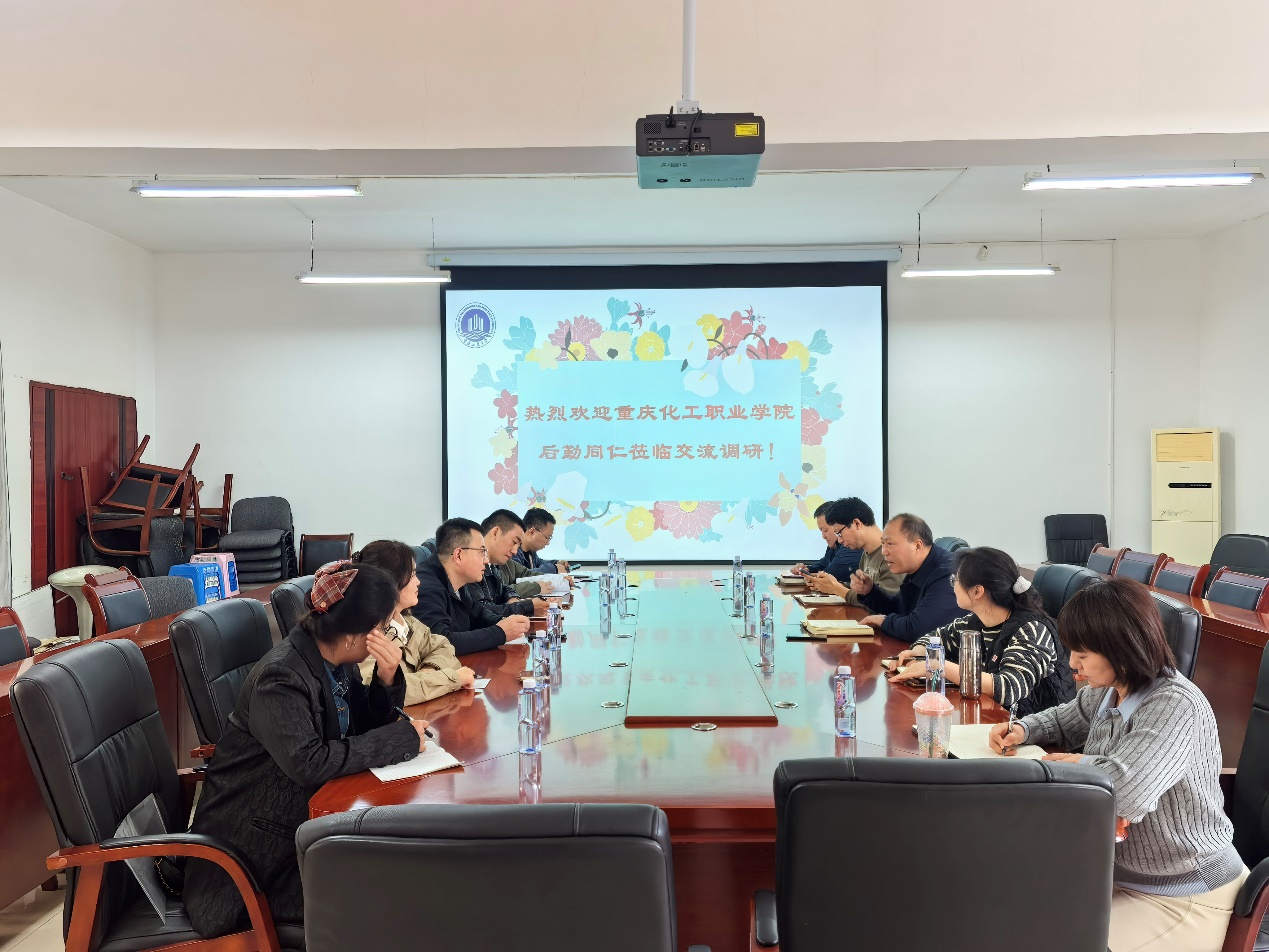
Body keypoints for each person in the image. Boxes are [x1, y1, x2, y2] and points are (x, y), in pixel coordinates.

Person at [990, 577, 1246, 952]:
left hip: (1186, 892)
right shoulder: (1111, 689)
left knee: (1057, 941)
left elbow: (1123, 794)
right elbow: (1064, 719)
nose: (1072, 663)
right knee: (1014, 913)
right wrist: (1023, 729)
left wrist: (1082, 762)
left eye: (1083, 654)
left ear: (1121, 649)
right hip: (1118, 876)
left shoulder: (1176, 705)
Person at [184, 561, 427, 938]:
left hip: (300, 829)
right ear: (354, 633)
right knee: (389, 895)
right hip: (252, 863)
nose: (386, 634)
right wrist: (402, 739)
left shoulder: (332, 658)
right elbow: (310, 763)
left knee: (402, 875)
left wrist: (387, 677)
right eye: (382, 627)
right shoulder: (281, 677)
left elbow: (359, 726)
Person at [888, 547, 1073, 715]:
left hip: (1038, 732)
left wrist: (940, 666)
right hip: (995, 720)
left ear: (977, 591)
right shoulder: (976, 621)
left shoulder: (1031, 630)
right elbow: (938, 637)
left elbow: (1008, 688)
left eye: (955, 580)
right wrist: (917, 652)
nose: (953, 586)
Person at [353, 539, 477, 705]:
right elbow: (386, 692)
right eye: (412, 575)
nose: (418, 582)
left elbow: (444, 646)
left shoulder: (406, 621)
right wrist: (451, 679)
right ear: (390, 582)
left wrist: (430, 672)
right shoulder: (367, 636)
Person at [415, 517, 531, 653]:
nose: (486, 560)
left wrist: (509, 623)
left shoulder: (458, 582)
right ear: (458, 555)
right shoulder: (425, 586)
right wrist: (500, 632)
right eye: (482, 552)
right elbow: (441, 642)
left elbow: (479, 615)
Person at [853, 513, 962, 643]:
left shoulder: (947, 573)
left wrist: (884, 621)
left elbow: (917, 629)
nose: (884, 551)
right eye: (883, 544)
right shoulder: (917, 568)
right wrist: (870, 591)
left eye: (890, 544)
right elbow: (899, 609)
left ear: (917, 545)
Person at [803, 497, 900, 606]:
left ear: (857, 524)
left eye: (839, 533)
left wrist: (836, 588)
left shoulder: (892, 554)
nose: (839, 540)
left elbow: (882, 604)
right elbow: (862, 589)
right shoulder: (866, 554)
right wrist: (834, 585)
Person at [478, 509, 554, 610]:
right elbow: (483, 612)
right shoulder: (473, 567)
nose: (515, 551)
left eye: (518, 545)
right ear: (495, 532)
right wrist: (526, 607)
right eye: (514, 542)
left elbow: (504, 590)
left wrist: (512, 598)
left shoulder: (494, 565)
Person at [789, 500, 862, 581]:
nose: (823, 536)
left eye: (825, 530)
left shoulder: (850, 544)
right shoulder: (834, 545)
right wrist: (806, 569)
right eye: (821, 531)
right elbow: (823, 563)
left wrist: (808, 574)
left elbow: (830, 573)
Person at [514, 507, 570, 575]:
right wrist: (554, 568)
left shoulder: (531, 552)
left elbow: (539, 563)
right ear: (532, 532)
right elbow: (520, 575)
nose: (548, 543)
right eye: (547, 537)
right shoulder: (513, 551)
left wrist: (556, 563)